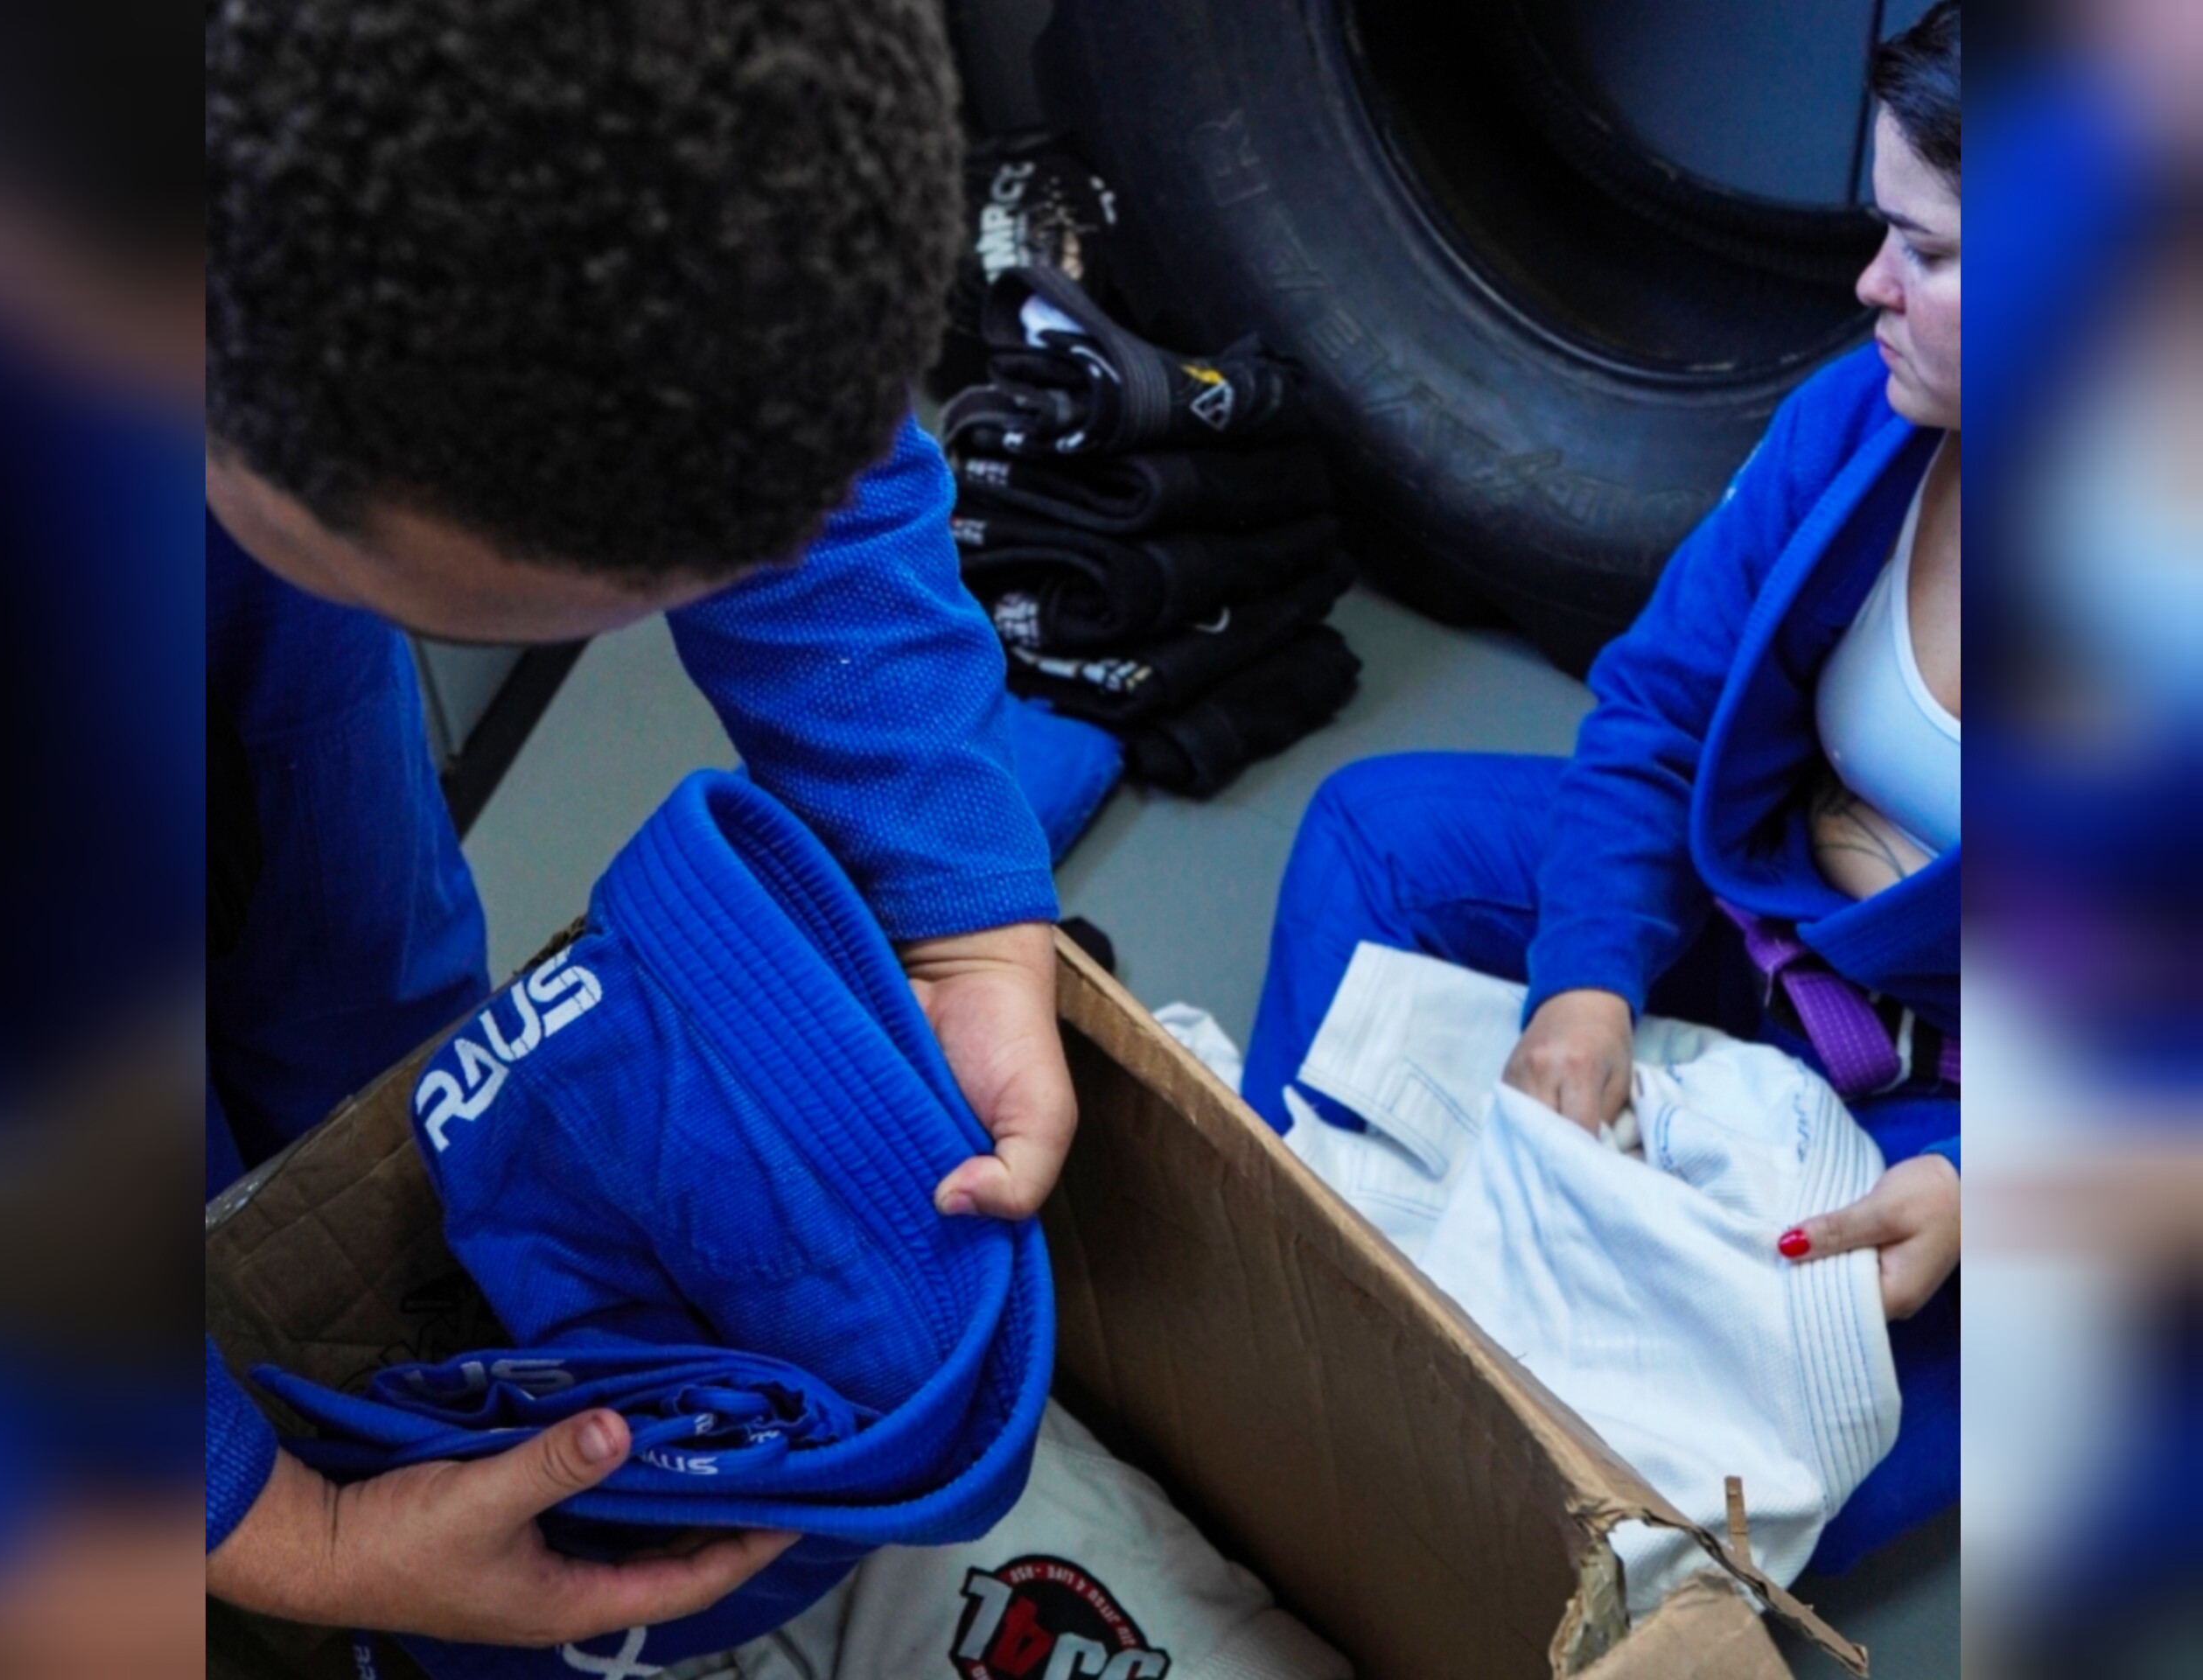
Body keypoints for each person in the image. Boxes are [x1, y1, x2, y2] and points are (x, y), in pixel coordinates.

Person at [202, 0, 1077, 1648]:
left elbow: (794, 440)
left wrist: (954, 909)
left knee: (372, 1070)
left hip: (261, 603)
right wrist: (278, 1527)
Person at [1242, 1, 1961, 1570]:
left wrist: (1986, 1193)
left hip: (1974, 1096)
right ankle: (1289, 1306)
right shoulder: (1861, 421)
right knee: (1381, 841)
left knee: (1730, 1486)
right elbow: (1656, 708)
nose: (1869, 284)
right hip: (1760, 924)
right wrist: (1584, 983)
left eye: (1926, 251)